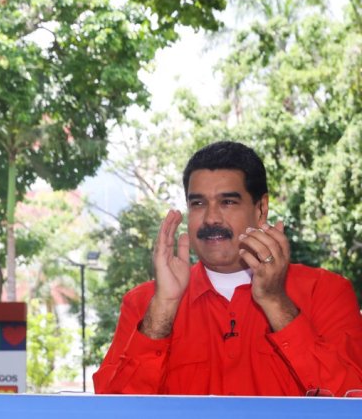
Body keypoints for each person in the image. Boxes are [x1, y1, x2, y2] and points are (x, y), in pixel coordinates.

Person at [93, 141, 362, 397]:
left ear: (261, 209)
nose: (211, 218)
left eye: (228, 202)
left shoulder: (325, 292)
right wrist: (163, 309)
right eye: (198, 203)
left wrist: (276, 302)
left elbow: (350, 397)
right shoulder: (145, 303)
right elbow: (112, 409)